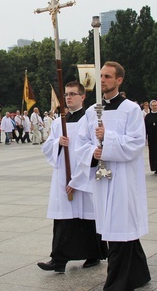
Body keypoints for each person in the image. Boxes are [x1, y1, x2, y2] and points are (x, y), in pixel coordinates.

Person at [76, 62, 151, 291]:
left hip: (123, 177)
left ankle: (113, 289)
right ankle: (139, 274)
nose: (103, 80)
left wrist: (108, 138)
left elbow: (137, 143)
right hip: (102, 174)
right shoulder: (91, 112)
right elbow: (82, 143)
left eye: (108, 76)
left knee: (119, 228)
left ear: (119, 80)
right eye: (101, 76)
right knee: (116, 227)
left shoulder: (131, 110)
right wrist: (94, 152)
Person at [38, 82, 107, 273]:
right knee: (63, 217)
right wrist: (58, 144)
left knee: (87, 216)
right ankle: (58, 259)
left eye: (72, 94)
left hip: (83, 176)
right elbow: (47, 146)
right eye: (66, 94)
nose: (68, 98)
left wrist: (77, 179)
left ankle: (93, 254)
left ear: (83, 97)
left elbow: (94, 149)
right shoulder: (59, 122)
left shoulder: (89, 120)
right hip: (62, 175)